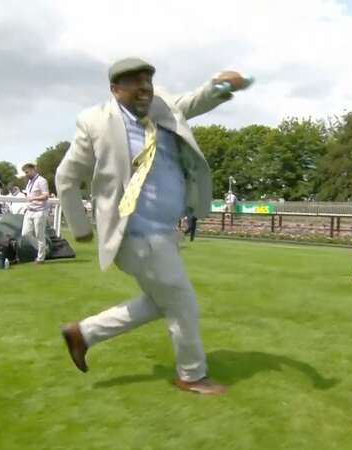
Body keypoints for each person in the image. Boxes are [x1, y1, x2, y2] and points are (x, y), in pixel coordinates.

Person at [56, 57, 247, 395]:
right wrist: (80, 226)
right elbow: (67, 177)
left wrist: (222, 85)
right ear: (115, 89)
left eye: (147, 79)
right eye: (133, 81)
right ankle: (192, 374)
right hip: (134, 232)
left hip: (165, 229)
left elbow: (195, 100)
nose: (144, 86)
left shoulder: (163, 105)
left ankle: (83, 333)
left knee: (160, 301)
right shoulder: (94, 121)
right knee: (183, 302)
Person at [21, 163, 50, 263]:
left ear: (33, 170)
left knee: (39, 235)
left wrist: (34, 198)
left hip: (40, 211)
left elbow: (46, 196)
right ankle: (43, 248)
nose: (26, 174)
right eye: (25, 172)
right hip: (29, 211)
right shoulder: (29, 182)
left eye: (27, 172)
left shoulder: (41, 181)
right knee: (25, 233)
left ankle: (40, 258)